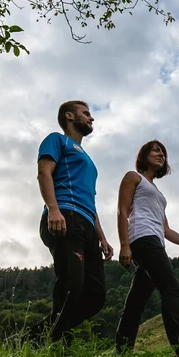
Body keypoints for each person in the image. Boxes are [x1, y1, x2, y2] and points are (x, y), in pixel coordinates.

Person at [115, 140, 179, 357]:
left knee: (135, 303)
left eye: (163, 152)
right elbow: (122, 210)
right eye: (156, 150)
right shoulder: (133, 177)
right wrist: (124, 245)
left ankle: (121, 356)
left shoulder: (157, 193)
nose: (161, 154)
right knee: (171, 288)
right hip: (142, 238)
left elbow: (165, 229)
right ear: (144, 155)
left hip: (154, 240)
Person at [36, 100, 113, 343]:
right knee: (72, 286)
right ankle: (55, 346)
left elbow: (91, 200)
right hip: (65, 216)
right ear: (70, 116)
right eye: (86, 113)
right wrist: (53, 209)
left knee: (95, 296)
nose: (91, 118)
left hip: (87, 224)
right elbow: (44, 173)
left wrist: (102, 238)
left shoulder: (89, 162)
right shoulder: (57, 140)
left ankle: (34, 339)